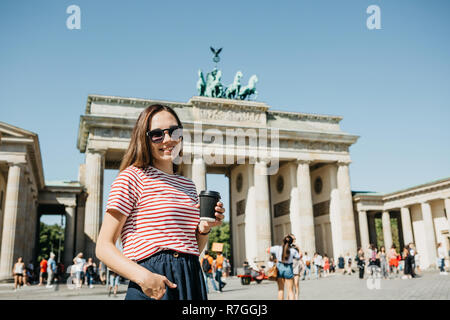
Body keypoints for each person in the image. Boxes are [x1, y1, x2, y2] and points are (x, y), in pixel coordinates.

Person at [96, 104, 225, 300]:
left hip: (190, 276)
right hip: (152, 278)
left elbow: (191, 248)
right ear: (144, 139)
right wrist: (144, 277)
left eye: (174, 132)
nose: (168, 139)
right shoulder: (131, 177)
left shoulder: (188, 185)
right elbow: (104, 247)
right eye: (157, 134)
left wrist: (205, 227)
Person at [268, 234, 300, 300]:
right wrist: (298, 248)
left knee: (280, 290)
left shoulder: (277, 248)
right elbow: (299, 257)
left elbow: (267, 250)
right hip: (288, 268)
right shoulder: (293, 250)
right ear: (291, 242)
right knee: (290, 291)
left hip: (280, 267)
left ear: (283, 241)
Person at [288, 233, 301, 300]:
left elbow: (300, 255)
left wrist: (299, 248)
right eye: (293, 239)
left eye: (295, 239)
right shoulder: (286, 246)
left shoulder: (296, 246)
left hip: (296, 265)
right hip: (289, 266)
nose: (294, 240)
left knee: (296, 284)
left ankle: (296, 298)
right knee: (290, 285)